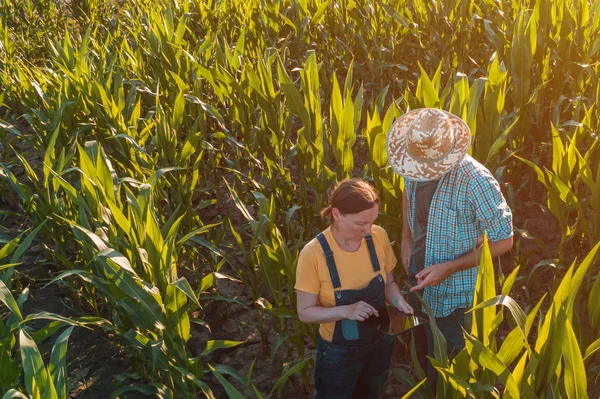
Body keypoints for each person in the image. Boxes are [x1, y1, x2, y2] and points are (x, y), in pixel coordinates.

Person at [386, 108, 514, 390]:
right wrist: (406, 238)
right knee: (425, 356)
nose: (421, 171)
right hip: (419, 280)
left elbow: (504, 240)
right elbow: (408, 193)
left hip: (457, 295)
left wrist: (451, 267)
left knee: (452, 370)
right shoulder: (413, 161)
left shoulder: (476, 181)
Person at [295, 179, 414, 399]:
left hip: (379, 344)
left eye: (372, 222)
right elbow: (305, 311)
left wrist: (397, 301)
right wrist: (347, 311)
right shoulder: (313, 254)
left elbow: (387, 282)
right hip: (338, 354)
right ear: (337, 214)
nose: (367, 230)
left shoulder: (378, 237)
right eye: (360, 224)